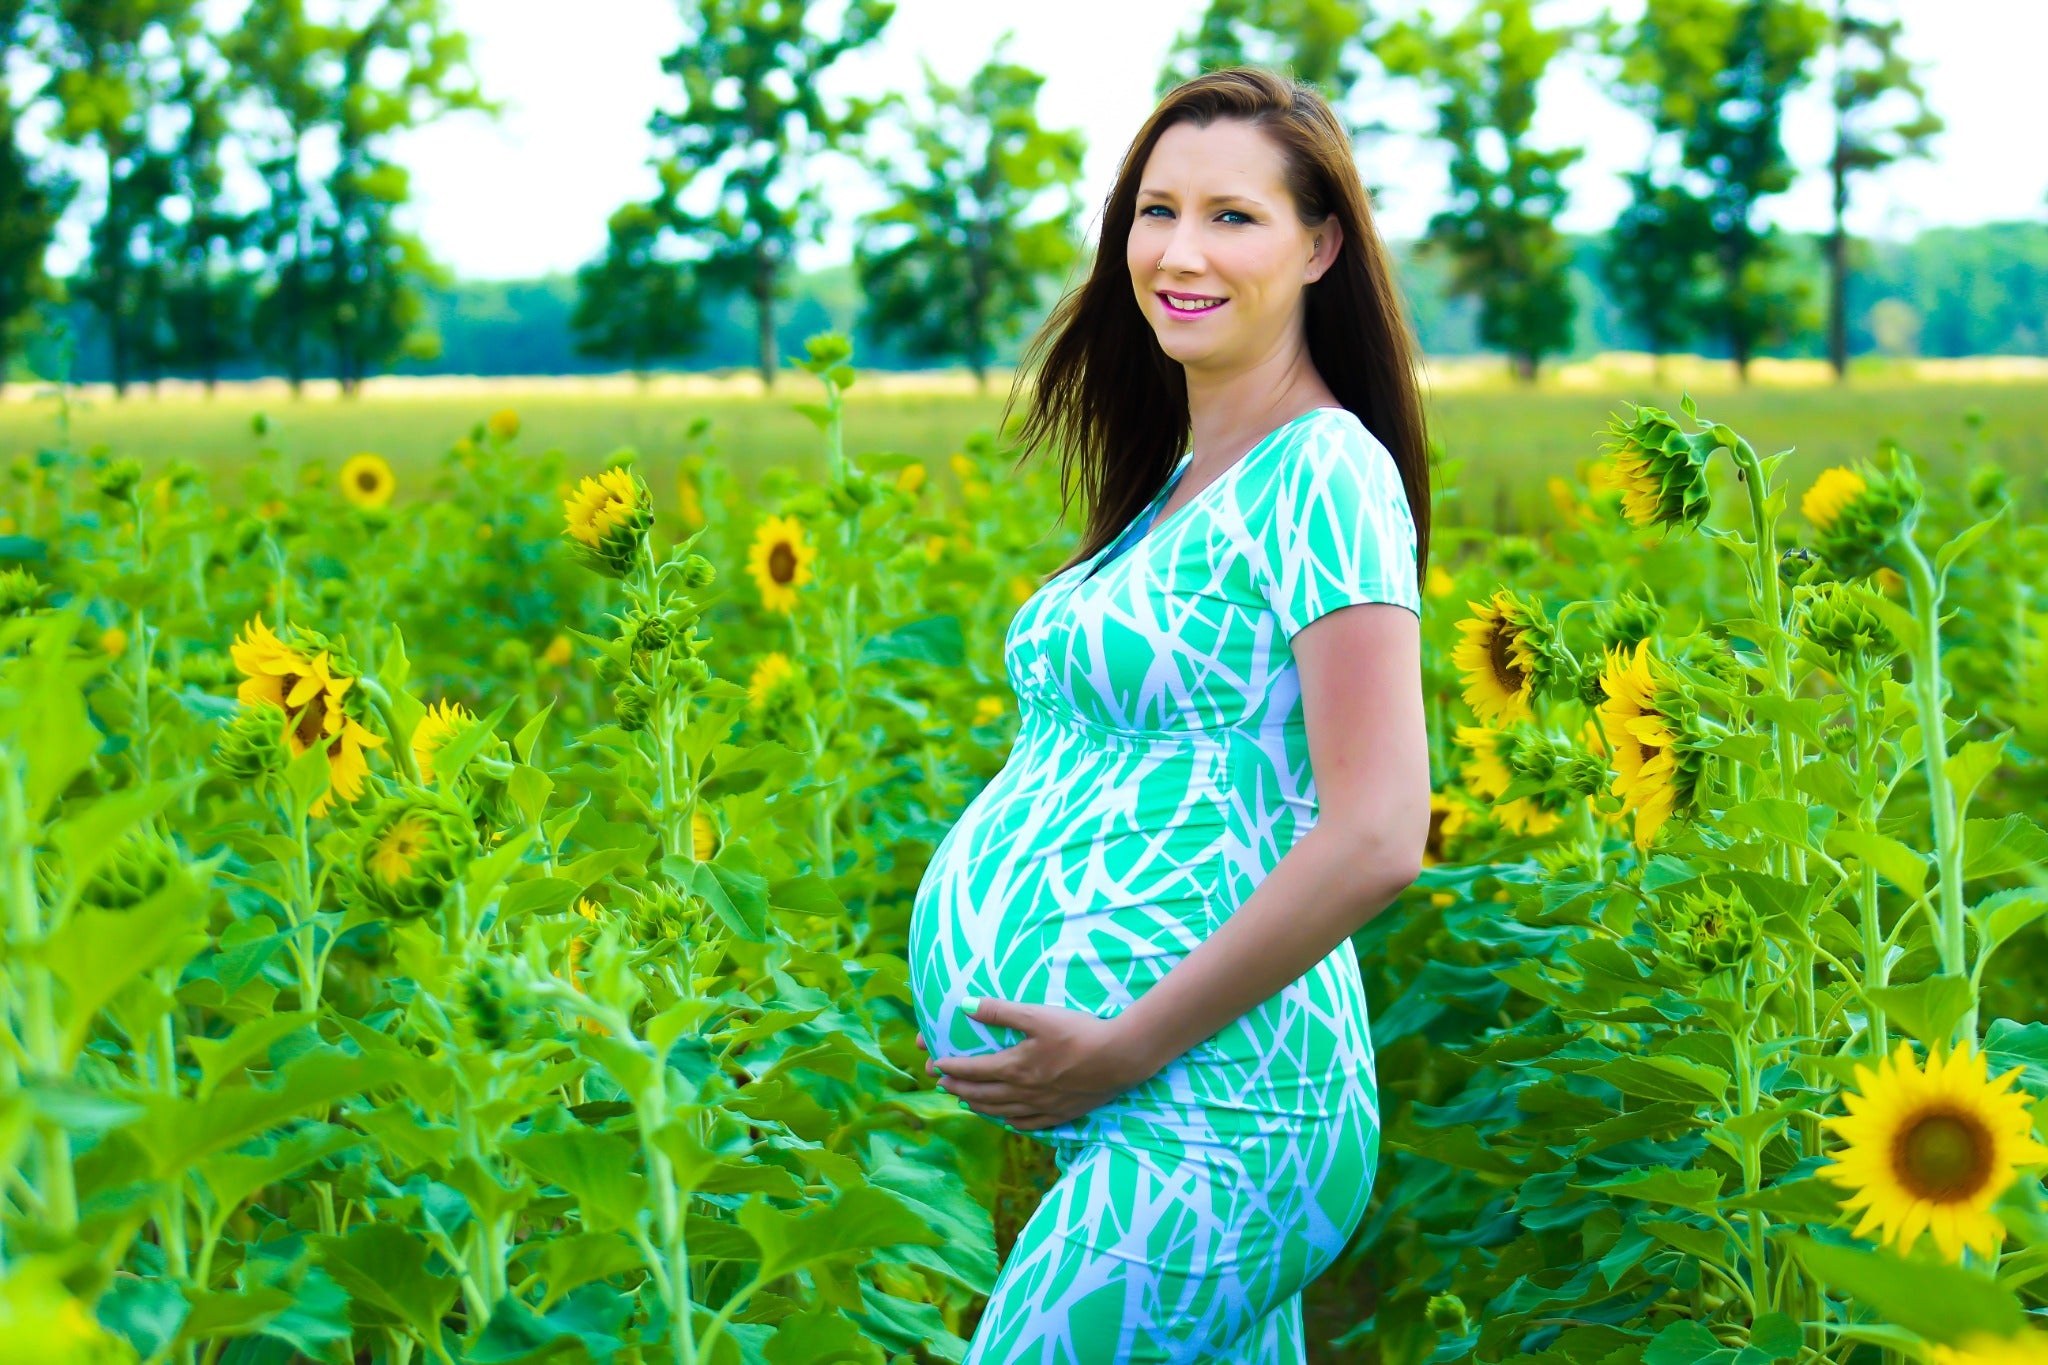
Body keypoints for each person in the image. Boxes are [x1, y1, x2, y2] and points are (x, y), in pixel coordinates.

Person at [905, 64, 1434, 1364]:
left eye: (1232, 217)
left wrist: (1125, 1045)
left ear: (1320, 245)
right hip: (1160, 1104)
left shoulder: (1328, 472)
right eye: (1156, 210)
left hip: (1229, 1108)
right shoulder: (1187, 485)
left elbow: (1377, 831)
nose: (1179, 252)